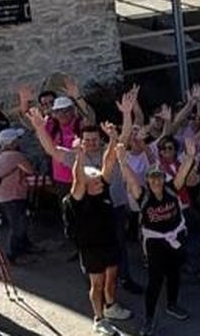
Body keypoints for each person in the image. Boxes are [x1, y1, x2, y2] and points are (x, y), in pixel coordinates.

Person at [120, 136, 194, 335]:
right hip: (155, 244)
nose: (156, 180)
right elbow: (130, 177)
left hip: (175, 239)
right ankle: (149, 318)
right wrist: (122, 161)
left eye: (159, 177)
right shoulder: (143, 196)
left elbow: (184, 171)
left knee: (174, 274)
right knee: (155, 281)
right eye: (152, 177)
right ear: (148, 180)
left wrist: (190, 155)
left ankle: (172, 304)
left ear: (163, 178)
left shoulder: (171, 189)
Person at [70, 143, 132, 336]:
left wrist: (113, 139)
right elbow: (77, 179)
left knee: (111, 279)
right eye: (94, 181)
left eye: (99, 180)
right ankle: (99, 319)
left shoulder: (102, 189)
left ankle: (111, 306)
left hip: (110, 242)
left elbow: (108, 162)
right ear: (85, 185)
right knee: (96, 284)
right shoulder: (78, 199)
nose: (100, 183)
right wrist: (79, 156)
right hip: (91, 248)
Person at [0, 128, 36, 264]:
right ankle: (13, 254)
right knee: (17, 225)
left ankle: (24, 246)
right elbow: (30, 170)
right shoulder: (15, 156)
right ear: (11, 142)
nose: (19, 141)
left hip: (3, 194)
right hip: (14, 195)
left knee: (18, 222)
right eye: (17, 139)